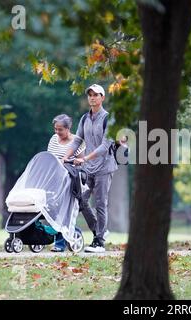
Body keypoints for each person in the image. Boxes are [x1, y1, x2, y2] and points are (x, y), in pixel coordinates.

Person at [63, 83, 118, 253]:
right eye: (90, 95)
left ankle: (100, 242)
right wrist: (67, 155)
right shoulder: (84, 118)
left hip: (104, 167)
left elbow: (104, 146)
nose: (92, 98)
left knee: (101, 204)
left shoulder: (109, 118)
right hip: (89, 169)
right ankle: (99, 232)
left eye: (96, 95)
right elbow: (77, 140)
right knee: (81, 200)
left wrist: (84, 158)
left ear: (102, 97)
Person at [47, 114, 85, 252]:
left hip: (70, 180)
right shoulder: (53, 139)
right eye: (55, 129)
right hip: (55, 179)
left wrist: (75, 162)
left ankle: (60, 244)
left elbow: (82, 162)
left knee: (64, 211)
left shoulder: (77, 141)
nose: (57, 132)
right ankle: (71, 230)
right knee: (53, 209)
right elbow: (50, 157)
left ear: (68, 128)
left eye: (60, 129)